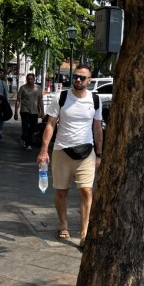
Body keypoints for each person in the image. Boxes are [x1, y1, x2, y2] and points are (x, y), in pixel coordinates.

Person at [36, 64, 103, 247]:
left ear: (89, 80)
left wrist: (99, 154)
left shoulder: (95, 100)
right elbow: (50, 124)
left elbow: (97, 128)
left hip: (86, 153)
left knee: (86, 191)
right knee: (61, 191)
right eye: (75, 76)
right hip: (62, 150)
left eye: (82, 77)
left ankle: (84, 233)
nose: (78, 80)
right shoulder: (61, 97)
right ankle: (63, 225)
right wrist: (44, 150)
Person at [15, 73, 43, 150]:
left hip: (34, 111)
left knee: (34, 127)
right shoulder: (23, 88)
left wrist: (42, 111)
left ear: (34, 79)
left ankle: (24, 138)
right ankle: (28, 144)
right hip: (25, 110)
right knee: (25, 126)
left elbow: (40, 100)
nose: (30, 80)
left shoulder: (38, 88)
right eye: (28, 79)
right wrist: (16, 112)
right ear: (26, 79)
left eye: (31, 79)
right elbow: (18, 100)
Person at [0, 67, 9, 140]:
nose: (2, 74)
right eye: (0, 72)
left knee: (1, 119)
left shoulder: (3, 83)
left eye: (2, 73)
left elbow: (6, 94)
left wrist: (7, 103)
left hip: (2, 104)